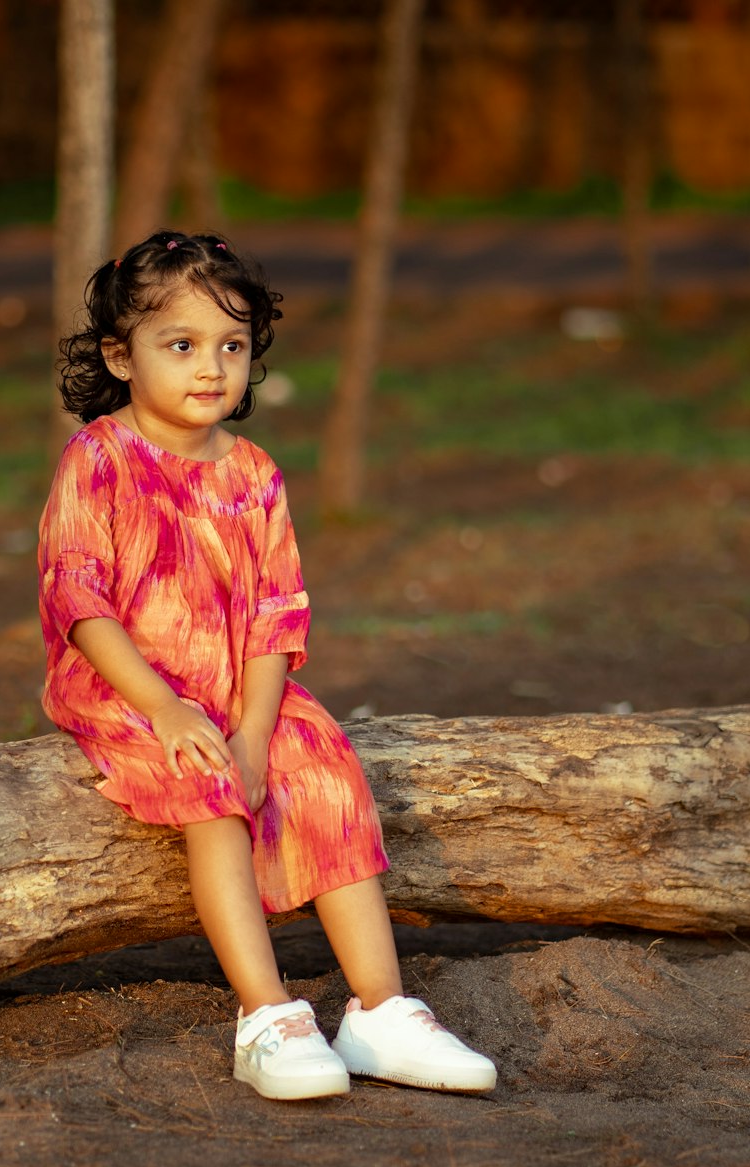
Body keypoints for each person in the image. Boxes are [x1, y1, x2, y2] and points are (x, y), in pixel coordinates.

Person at [38, 229, 496, 1101]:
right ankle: (267, 1014)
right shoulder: (97, 460)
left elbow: (274, 615)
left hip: (237, 686)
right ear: (120, 356)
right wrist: (171, 714)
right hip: (126, 687)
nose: (211, 368)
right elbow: (81, 603)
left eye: (232, 346)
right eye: (181, 345)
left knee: (326, 769)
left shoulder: (253, 473)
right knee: (212, 793)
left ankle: (379, 1011)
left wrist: (255, 730)